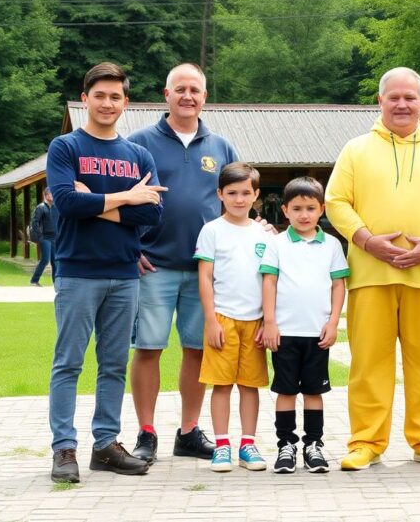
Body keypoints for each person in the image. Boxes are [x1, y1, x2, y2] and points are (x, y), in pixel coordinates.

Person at [326, 67, 420, 470]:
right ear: (380, 101)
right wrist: (366, 240)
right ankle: (366, 441)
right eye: (394, 97)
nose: (402, 104)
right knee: (367, 363)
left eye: (410, 97)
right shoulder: (356, 150)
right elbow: (336, 202)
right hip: (371, 273)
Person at [47, 62, 165, 483]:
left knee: (113, 364)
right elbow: (66, 202)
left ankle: (105, 445)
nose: (107, 103)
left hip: (125, 274)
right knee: (69, 363)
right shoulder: (65, 147)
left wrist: (99, 202)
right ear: (85, 99)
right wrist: (128, 197)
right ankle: (64, 449)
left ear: (125, 102)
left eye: (115, 96)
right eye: (99, 95)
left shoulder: (138, 155)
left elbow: (153, 215)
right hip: (78, 271)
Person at [127, 63, 238, 464]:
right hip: (152, 266)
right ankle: (146, 432)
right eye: (180, 89)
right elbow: (121, 199)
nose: (188, 96)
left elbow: (236, 200)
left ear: (205, 97)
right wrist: (130, 246)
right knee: (148, 349)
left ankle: (189, 432)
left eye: (195, 90)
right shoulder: (138, 143)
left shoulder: (221, 147)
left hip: (204, 271)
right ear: (166, 94)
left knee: (197, 351)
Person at [259, 177, 349, 474]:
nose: (304, 215)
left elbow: (338, 285)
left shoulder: (332, 245)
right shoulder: (276, 244)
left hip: (317, 334)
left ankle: (314, 446)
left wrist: (333, 323)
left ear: (322, 209)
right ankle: (286, 446)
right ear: (285, 210)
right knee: (285, 391)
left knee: (313, 392)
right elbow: (269, 282)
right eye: (296, 208)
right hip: (284, 333)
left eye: (311, 208)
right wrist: (269, 322)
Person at [194, 162, 272, 473]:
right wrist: (211, 320)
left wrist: (268, 320)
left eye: (245, 193)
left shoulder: (265, 233)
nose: (239, 199)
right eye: (232, 193)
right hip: (223, 318)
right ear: (220, 194)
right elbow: (205, 277)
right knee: (222, 385)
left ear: (256, 195)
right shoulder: (212, 230)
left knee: (250, 386)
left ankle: (248, 445)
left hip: (255, 322)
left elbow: (271, 279)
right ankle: (222, 445)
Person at [29, 187, 59, 286]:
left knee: (55, 261)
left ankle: (56, 283)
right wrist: (40, 236)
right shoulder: (41, 207)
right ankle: (34, 281)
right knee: (45, 260)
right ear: (45, 195)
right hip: (45, 238)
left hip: (55, 238)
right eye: (50, 193)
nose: (52, 195)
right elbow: (34, 222)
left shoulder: (56, 207)